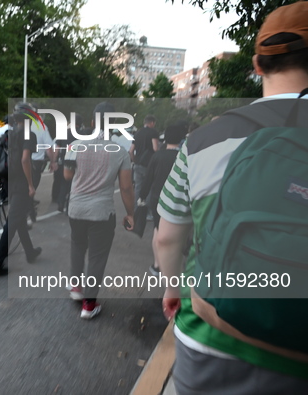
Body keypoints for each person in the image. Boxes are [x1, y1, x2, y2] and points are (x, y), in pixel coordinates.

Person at [156, 3, 308, 391]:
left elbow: (168, 237)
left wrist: (173, 288)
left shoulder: (205, 139)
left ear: (257, 64)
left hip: (210, 338)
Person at [64, 102, 134, 319]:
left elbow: (67, 175)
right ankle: (89, 305)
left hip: (75, 208)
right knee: (97, 256)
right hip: (102, 212)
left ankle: (76, 288)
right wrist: (130, 213)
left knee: (77, 245)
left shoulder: (75, 145)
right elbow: (125, 187)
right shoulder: (121, 152)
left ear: (93, 122)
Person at [0, 112, 42, 276]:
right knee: (13, 222)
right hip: (20, 183)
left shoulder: (8, 133)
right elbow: (25, 160)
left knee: (18, 218)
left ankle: (30, 251)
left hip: (8, 181)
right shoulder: (28, 135)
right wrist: (31, 184)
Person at [138, 122, 186, 276]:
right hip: (179, 199)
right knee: (178, 233)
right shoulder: (185, 157)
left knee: (157, 232)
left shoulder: (157, 155)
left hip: (158, 198)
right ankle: (174, 265)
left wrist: (142, 196)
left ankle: (158, 265)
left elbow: (148, 179)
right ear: (181, 139)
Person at [129, 115, 159, 209]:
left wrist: (134, 159)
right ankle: (149, 212)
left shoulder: (137, 133)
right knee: (149, 187)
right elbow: (155, 148)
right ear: (152, 123)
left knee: (138, 187)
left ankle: (136, 209)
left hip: (138, 164)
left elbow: (131, 150)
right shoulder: (153, 132)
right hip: (149, 164)